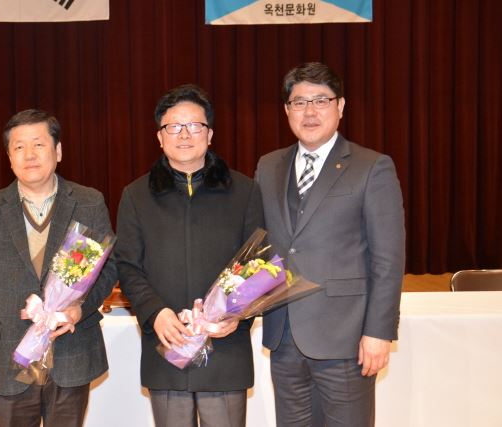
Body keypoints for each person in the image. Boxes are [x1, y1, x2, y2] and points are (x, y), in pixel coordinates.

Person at [255, 62, 405, 426]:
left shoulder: (372, 166)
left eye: (321, 100)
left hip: (346, 338)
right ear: (287, 110)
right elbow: (260, 247)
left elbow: (388, 259)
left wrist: (378, 332)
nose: (310, 111)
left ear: (340, 106)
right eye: (299, 102)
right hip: (284, 336)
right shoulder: (268, 166)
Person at [113, 85, 264, 427]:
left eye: (195, 125)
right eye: (173, 127)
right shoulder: (136, 196)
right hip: (168, 344)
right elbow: (128, 266)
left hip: (225, 347)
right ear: (159, 137)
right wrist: (155, 313)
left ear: (209, 134)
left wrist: (237, 316)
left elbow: (257, 264)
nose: (184, 134)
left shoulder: (244, 191)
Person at [0, 109, 117, 427]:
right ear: (9, 157)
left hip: (70, 352)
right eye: (19, 147)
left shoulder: (88, 202)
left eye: (39, 144)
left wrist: (79, 308)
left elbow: (109, 268)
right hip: (8, 356)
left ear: (58, 151)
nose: (29, 154)